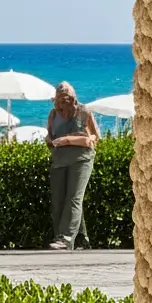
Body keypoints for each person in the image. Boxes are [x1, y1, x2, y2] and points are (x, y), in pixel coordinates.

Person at [46, 81, 99, 249]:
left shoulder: (84, 112)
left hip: (81, 160)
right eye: (59, 98)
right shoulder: (53, 115)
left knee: (74, 198)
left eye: (66, 98)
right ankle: (82, 239)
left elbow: (96, 137)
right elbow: (50, 134)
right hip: (59, 161)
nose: (63, 102)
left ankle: (65, 238)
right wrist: (49, 140)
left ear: (73, 98)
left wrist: (69, 140)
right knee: (59, 200)